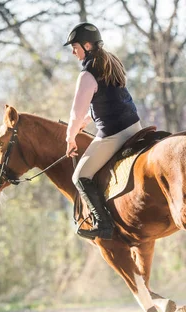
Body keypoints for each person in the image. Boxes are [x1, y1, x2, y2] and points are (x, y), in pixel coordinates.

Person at [64, 22, 142, 240]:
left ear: (87, 45)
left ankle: (103, 224)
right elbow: (105, 102)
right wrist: (85, 122)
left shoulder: (87, 74)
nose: (73, 51)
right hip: (134, 127)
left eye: (75, 46)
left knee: (80, 176)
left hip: (113, 135)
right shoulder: (110, 63)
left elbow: (74, 114)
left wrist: (70, 138)